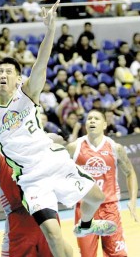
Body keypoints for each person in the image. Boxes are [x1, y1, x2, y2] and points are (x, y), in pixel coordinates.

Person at [0, 1, 117, 257]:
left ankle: (85, 225)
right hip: (31, 179)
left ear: (18, 79)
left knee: (96, 197)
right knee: (53, 235)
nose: (3, 75)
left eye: (9, 71)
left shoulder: (28, 94)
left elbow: (42, 61)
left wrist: (50, 29)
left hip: (55, 163)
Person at [66, 109, 139, 256]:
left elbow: (130, 173)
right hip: (85, 210)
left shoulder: (115, 147)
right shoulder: (75, 147)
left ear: (105, 125)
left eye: (96, 119)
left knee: (118, 254)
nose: (92, 121)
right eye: (89, 118)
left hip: (109, 208)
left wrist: (132, 200)